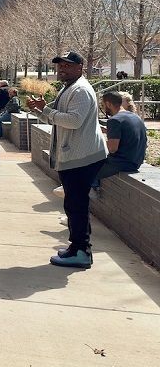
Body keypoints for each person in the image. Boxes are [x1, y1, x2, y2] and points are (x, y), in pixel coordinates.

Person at [27, 51, 107, 269]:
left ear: (80, 67)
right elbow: (58, 118)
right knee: (73, 204)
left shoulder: (80, 90)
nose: (62, 69)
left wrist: (46, 111)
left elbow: (73, 121)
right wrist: (41, 110)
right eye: (60, 65)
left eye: (67, 65)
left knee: (77, 205)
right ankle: (76, 248)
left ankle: (81, 252)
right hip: (76, 157)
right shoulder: (69, 88)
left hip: (82, 158)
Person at [93, 91, 147, 188]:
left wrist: (96, 141)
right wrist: (107, 131)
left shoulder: (114, 120)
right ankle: (94, 185)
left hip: (122, 163)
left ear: (108, 104)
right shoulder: (135, 117)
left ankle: (86, 190)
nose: (103, 108)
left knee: (86, 167)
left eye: (103, 105)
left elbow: (112, 148)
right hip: (136, 161)